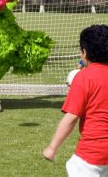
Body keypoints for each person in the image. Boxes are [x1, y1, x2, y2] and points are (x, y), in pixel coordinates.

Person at [43, 24, 108, 176]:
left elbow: (71, 117)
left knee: (75, 166)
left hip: (91, 154)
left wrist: (52, 147)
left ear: (85, 52)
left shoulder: (84, 77)